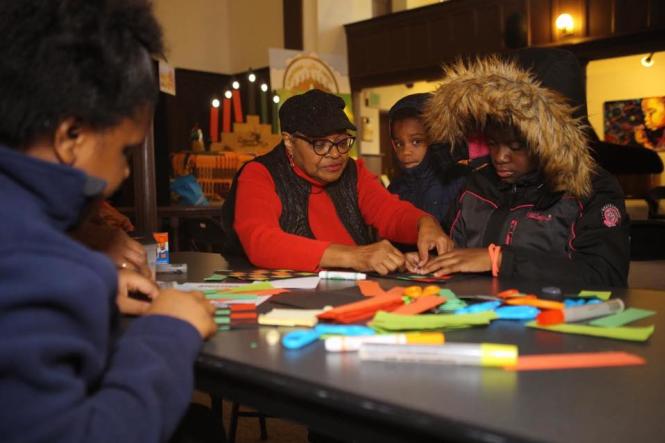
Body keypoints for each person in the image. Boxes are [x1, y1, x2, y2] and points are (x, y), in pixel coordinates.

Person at [0, 2, 218, 442]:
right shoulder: (43, 268)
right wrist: (168, 330)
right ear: (71, 136)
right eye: (123, 152)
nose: (123, 174)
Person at [408, 51, 630, 287]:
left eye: (516, 146)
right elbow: (455, 252)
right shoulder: (477, 184)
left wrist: (501, 260)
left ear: (549, 142)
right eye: (492, 143)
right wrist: (430, 260)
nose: (500, 157)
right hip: (475, 313)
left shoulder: (592, 189)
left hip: (552, 319)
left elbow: (605, 275)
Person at [222, 89, 452, 274]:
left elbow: (389, 212)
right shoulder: (259, 174)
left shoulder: (353, 171)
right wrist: (356, 256)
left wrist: (423, 222)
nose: (335, 155)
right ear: (289, 142)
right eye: (319, 145)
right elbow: (262, 242)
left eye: (342, 142)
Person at [387, 93, 467, 225]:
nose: (406, 152)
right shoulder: (394, 189)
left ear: (436, 139)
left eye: (416, 141)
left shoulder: (460, 181)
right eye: (399, 144)